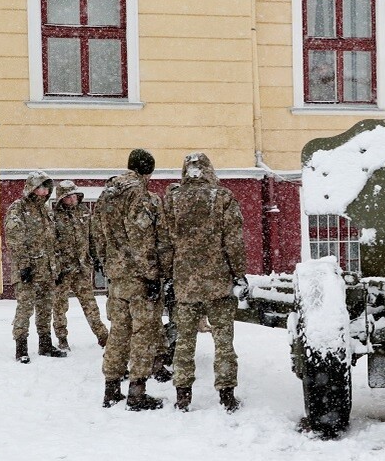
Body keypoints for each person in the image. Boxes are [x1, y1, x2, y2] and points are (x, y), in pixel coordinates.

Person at [164, 152, 247, 412]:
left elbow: (166, 241)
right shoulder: (222, 197)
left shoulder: (173, 198)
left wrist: (170, 274)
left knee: (185, 341)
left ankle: (183, 394)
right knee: (223, 341)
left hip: (185, 282)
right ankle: (226, 394)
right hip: (218, 282)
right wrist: (238, 273)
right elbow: (233, 240)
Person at [93, 149, 170, 411]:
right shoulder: (141, 196)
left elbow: (98, 235)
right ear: (148, 171)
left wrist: (106, 263)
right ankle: (137, 391)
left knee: (119, 332)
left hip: (116, 276)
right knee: (143, 333)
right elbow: (142, 239)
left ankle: (111, 388)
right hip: (138, 275)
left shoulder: (107, 193)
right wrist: (152, 275)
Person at [5, 170, 67, 363]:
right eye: (41, 187)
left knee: (45, 307)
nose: (44, 191)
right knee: (25, 308)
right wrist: (24, 266)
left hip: (47, 270)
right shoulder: (19, 208)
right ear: (32, 188)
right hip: (28, 270)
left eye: (47, 187)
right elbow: (15, 239)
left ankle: (45, 344)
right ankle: (21, 347)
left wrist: (56, 268)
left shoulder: (46, 210)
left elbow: (52, 241)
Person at [52, 180, 109, 350]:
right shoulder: (54, 218)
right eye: (68, 196)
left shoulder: (84, 213)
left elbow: (91, 238)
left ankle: (102, 335)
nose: (73, 199)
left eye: (74, 195)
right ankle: (62, 337)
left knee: (90, 305)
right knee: (60, 306)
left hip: (82, 268)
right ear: (62, 198)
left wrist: (96, 258)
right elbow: (51, 245)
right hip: (63, 270)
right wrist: (56, 268)